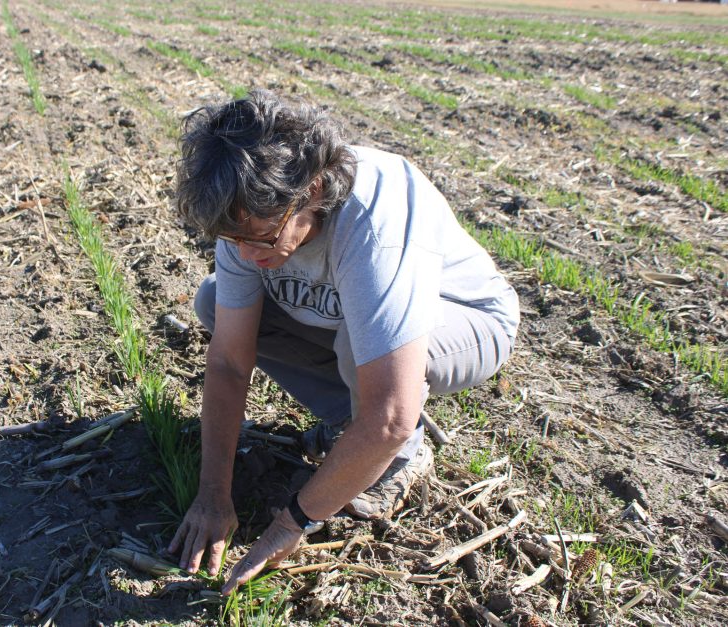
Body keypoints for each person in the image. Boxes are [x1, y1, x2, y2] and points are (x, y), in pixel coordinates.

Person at [168, 90, 519, 595]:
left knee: (371, 361)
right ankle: (349, 427)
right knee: (215, 301)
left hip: (468, 321)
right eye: (231, 239)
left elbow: (391, 414)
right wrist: (211, 494)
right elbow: (227, 361)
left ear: (312, 189)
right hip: (347, 319)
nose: (246, 253)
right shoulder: (246, 219)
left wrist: (291, 523)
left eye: (263, 238)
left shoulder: (374, 220)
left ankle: (402, 458)